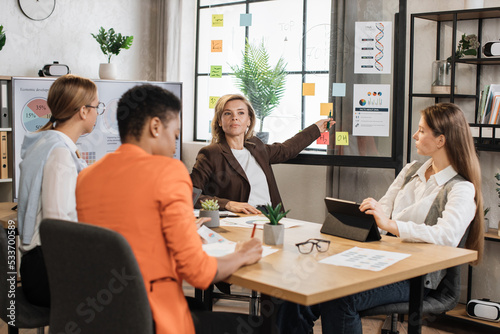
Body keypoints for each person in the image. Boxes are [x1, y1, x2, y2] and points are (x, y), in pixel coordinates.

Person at [277, 102, 484, 334]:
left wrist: (392, 225)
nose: (415, 135)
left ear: (441, 140)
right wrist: (370, 212)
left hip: (413, 276)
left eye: (422, 130)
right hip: (380, 260)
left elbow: (447, 236)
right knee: (295, 291)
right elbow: (383, 210)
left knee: (340, 298)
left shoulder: (461, 188)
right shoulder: (410, 171)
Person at [75, 84, 263, 334]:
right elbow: (198, 273)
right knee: (270, 327)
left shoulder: (87, 176)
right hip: (153, 317)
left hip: (103, 315)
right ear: (155, 127)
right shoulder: (168, 172)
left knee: (197, 305)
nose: (174, 146)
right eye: (174, 136)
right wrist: (241, 254)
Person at [17, 74, 102, 307]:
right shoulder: (60, 153)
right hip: (50, 271)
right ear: (83, 111)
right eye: (97, 107)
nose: (97, 113)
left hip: (40, 265)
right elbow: (58, 227)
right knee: (130, 283)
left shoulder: (47, 143)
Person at [190, 93, 335, 214]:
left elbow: (286, 150)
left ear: (249, 120)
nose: (235, 117)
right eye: (227, 113)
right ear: (220, 121)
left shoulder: (256, 147)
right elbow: (190, 195)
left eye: (241, 113)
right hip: (241, 219)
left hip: (271, 215)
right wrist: (227, 204)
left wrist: (317, 128)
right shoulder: (211, 153)